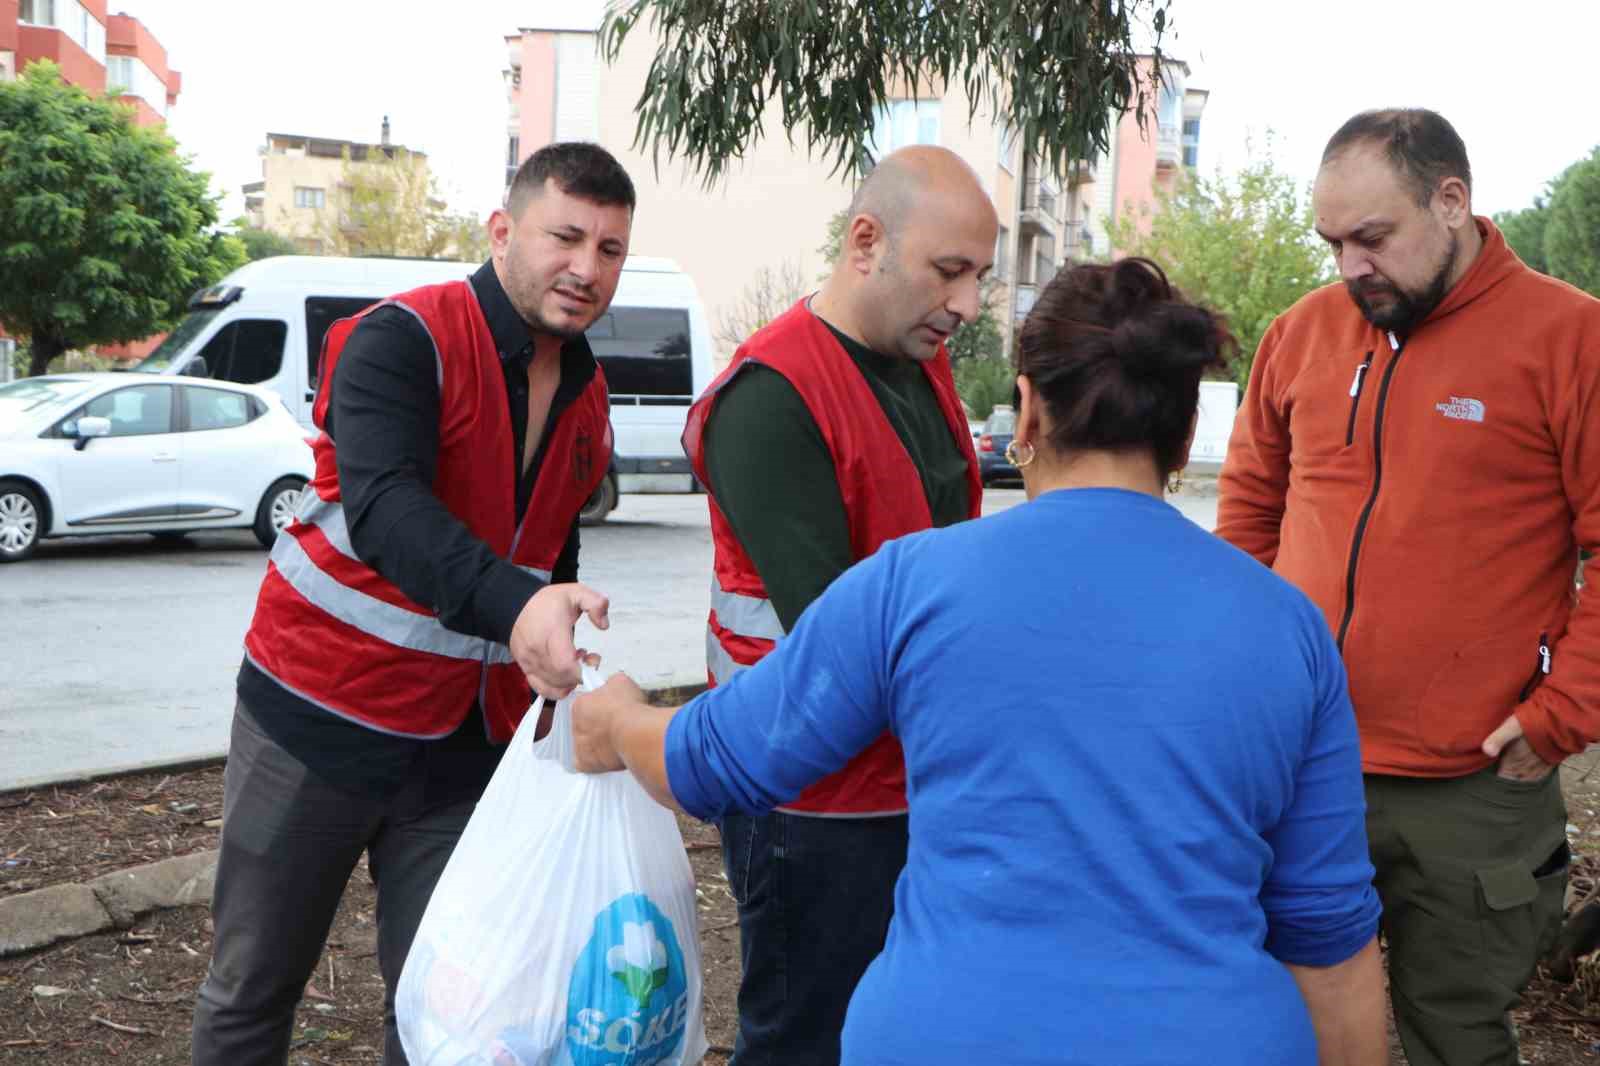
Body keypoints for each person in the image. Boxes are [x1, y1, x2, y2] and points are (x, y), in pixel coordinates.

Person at [573, 258, 1388, 1066]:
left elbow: (718, 761)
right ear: (1180, 437)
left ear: (1028, 412)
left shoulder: (913, 583)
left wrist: (615, 722)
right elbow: (1331, 941)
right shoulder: (1287, 625)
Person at [191, 142, 634, 1066]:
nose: (587, 268)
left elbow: (552, 548)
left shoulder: (587, 391)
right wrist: (519, 610)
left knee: (447, 1006)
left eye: (610, 249)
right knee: (252, 991)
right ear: (502, 231)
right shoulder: (403, 339)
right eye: (566, 237)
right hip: (316, 719)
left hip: (462, 749)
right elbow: (388, 509)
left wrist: (564, 671)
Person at [1216, 108, 1600, 1065]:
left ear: (1452, 201)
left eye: (1372, 238)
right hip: (1301, 764)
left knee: (1455, 1036)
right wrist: (1244, 671)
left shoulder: (1570, 338)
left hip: (1471, 783)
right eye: (1333, 242)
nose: (1350, 266)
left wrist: (1561, 712)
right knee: (1281, 1020)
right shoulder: (1301, 334)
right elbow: (1249, 515)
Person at [679, 145, 990, 1065]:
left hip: (902, 783)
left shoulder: (913, 359)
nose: (967, 304)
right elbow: (837, 642)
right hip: (809, 803)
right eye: (949, 271)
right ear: (866, 242)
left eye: (977, 275)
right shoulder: (773, 395)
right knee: (805, 1041)